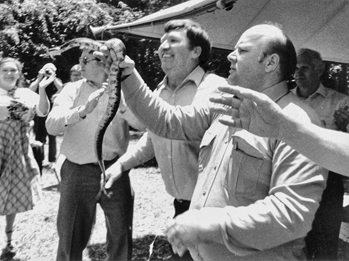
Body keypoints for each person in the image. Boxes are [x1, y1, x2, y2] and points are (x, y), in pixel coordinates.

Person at [100, 23, 328, 260]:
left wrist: (210, 225)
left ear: (271, 63)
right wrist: (126, 73)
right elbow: (167, 122)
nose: (230, 55)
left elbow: (291, 214)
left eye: (242, 51)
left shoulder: (298, 121)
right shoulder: (225, 104)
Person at [106, 19, 224, 223]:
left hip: (212, 209)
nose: (163, 46)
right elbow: (152, 138)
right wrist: (121, 165)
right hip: (181, 206)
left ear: (196, 52)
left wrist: (129, 78)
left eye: (173, 40)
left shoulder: (215, 88)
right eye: (162, 41)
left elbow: (174, 123)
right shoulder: (161, 91)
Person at [45, 46, 144, 261]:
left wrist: (122, 103)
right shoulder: (72, 89)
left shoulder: (126, 89)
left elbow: (143, 125)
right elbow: (51, 125)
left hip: (115, 171)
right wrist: (82, 111)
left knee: (121, 235)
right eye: (82, 59)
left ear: (108, 62)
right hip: (77, 172)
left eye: (90, 58)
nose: (82, 64)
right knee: (70, 238)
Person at [291, 48, 349, 260]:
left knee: (325, 245)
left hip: (327, 182)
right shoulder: (285, 101)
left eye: (304, 68)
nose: (298, 73)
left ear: (320, 69)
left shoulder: (341, 102)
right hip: (291, 177)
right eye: (296, 68)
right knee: (293, 243)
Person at [0, 57, 49, 259]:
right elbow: (20, 113)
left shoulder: (26, 94)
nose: (10, 73)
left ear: (19, 73)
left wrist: (44, 89)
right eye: (5, 70)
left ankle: (9, 242)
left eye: (14, 70)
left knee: (12, 196)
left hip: (18, 151)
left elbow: (42, 111)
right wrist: (26, 110)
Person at [30, 63, 63, 168]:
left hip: (53, 111)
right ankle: (41, 158)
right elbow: (31, 90)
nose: (47, 73)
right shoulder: (40, 81)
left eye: (50, 70)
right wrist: (39, 78)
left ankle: (52, 160)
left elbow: (62, 88)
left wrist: (53, 77)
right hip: (40, 111)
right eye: (46, 70)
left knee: (52, 136)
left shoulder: (56, 81)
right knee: (39, 136)